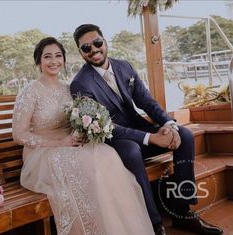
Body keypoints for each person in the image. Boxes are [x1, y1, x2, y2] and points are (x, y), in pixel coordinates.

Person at [70, 24, 223, 235]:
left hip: (139, 129)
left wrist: (169, 126)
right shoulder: (80, 84)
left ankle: (183, 212)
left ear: (105, 41)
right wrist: (150, 138)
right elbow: (106, 127)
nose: (94, 50)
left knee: (185, 135)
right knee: (132, 152)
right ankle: (154, 223)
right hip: (114, 141)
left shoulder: (124, 67)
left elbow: (147, 102)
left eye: (97, 42)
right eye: (86, 47)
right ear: (80, 53)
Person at [12, 37, 156, 235]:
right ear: (38, 61)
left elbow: (78, 118)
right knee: (91, 168)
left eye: (58, 56)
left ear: (63, 59)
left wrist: (83, 132)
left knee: (107, 156)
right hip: (42, 153)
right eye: (47, 57)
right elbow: (18, 135)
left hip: (70, 144)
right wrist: (59, 142)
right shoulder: (30, 92)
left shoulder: (68, 89)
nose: (54, 61)